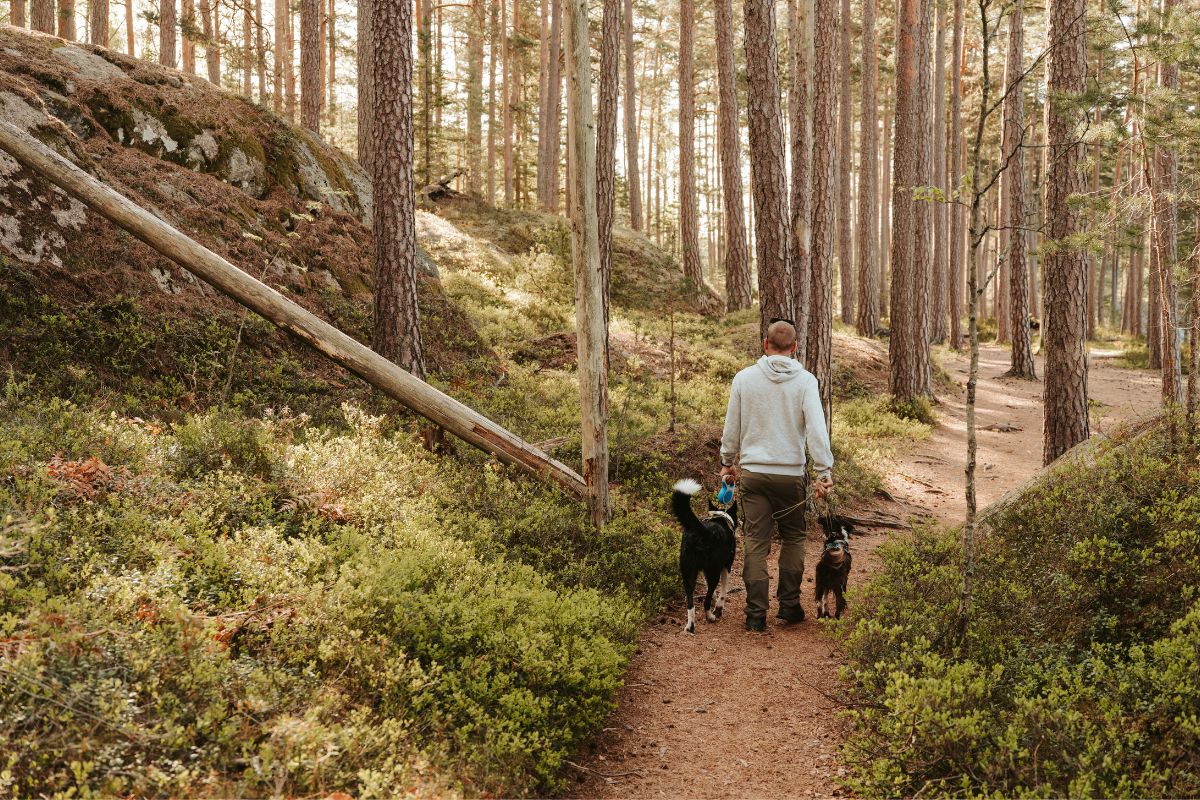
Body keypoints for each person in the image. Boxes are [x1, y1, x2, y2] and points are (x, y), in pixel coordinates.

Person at [719, 319, 834, 632]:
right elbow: (816, 429)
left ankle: (755, 614)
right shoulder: (806, 381)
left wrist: (728, 462)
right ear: (795, 348)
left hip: (754, 474)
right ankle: (789, 606)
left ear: (765, 345)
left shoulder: (744, 379)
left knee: (755, 541)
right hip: (790, 477)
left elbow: (732, 427)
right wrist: (823, 471)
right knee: (794, 538)